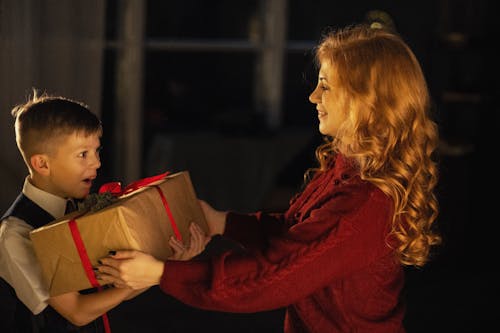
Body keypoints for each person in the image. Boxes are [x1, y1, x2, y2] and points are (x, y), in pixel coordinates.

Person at [96, 23, 442, 332]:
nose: (313, 97)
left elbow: (274, 276)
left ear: (366, 100)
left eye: (326, 87)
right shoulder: (348, 169)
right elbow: (299, 239)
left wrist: (160, 274)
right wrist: (223, 222)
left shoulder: (363, 203)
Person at [0, 91, 203, 332]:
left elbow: (114, 291)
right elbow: (78, 312)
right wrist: (147, 273)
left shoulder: (81, 210)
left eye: (96, 151)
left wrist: (168, 266)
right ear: (42, 164)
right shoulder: (16, 233)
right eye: (83, 154)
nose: (96, 163)